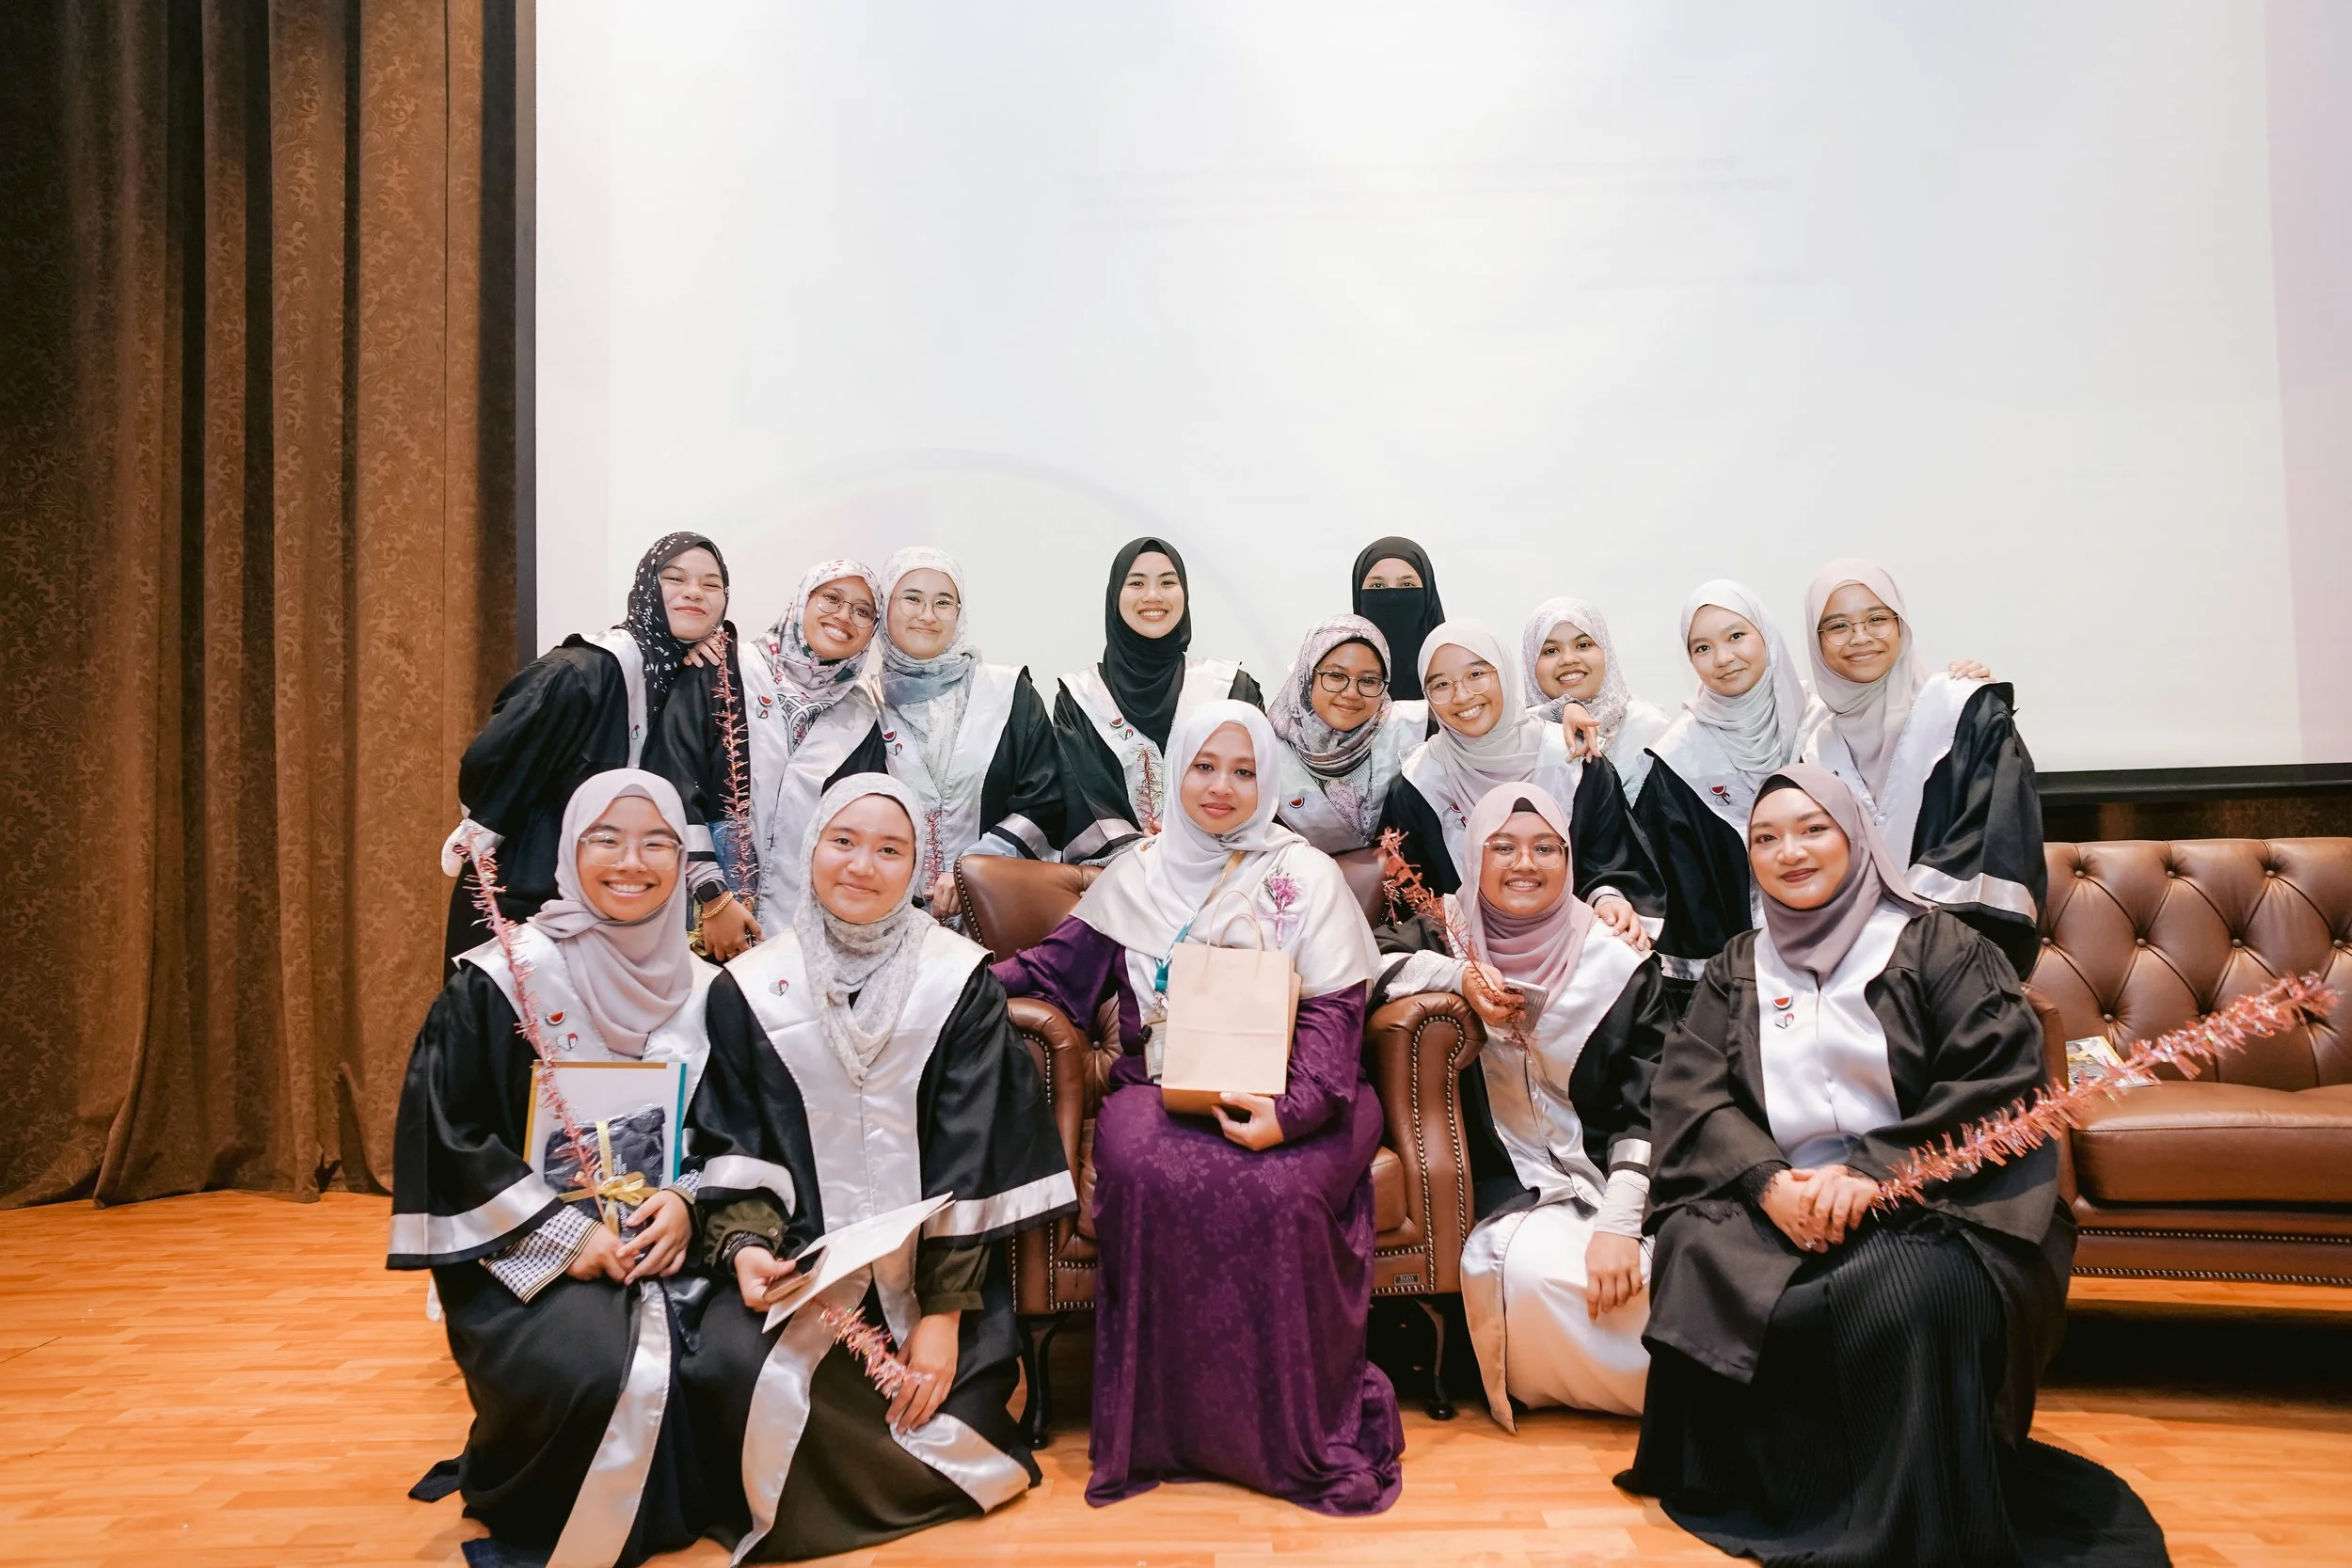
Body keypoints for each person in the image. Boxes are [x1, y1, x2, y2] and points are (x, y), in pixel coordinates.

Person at [1619, 765, 2169, 1568]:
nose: (1789, 851)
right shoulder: (1740, 964)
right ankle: (1778, 1486)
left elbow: (1996, 1082)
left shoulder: (1942, 947)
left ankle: (1909, 1504)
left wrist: (1871, 1173)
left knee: (1913, 1287)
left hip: (1935, 1191)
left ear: (1857, 838)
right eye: (1766, 837)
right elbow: (1692, 1092)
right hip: (1782, 1191)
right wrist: (1768, 1181)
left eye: (1812, 829)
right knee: (1695, 1247)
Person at [993, 701, 1404, 1514]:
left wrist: (1289, 1113)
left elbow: (1337, 1014)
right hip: (1161, 1088)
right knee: (1145, 1174)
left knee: (1282, 1193)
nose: (1222, 786)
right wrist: (942, 976)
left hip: (1302, 1089)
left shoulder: (1304, 877)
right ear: (1176, 770)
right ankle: (1162, 1433)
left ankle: (1290, 1436)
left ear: (1267, 779)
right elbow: (1048, 973)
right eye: (1204, 766)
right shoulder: (1137, 876)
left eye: (1244, 770)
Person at [683, 774, 1076, 1560]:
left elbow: (973, 1152)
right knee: (730, 1369)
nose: (863, 865)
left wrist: (942, 1317)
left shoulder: (957, 983)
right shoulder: (752, 988)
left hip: (938, 1274)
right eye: (844, 841)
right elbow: (733, 1136)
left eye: (890, 850)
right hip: (803, 1265)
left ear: (916, 866)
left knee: (952, 1422)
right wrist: (748, 1246)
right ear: (812, 848)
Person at [390, 769, 733, 1566]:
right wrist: (564, 1236)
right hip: (527, 1250)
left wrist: (688, 1203)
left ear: (682, 859)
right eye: (605, 838)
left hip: (674, 1242)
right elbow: (449, 1133)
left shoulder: (714, 992)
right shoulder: (504, 979)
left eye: (657, 842)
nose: (631, 861)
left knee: (736, 1358)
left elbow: (738, 1128)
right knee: (590, 1369)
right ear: (569, 849)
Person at [1375, 782, 1669, 1422]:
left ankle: (1685, 1405)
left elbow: (1650, 1099)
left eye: (1545, 847)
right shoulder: (1446, 932)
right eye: (1502, 846)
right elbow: (1360, 964)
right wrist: (1458, 977)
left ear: (1569, 859)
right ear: (1474, 855)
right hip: (1505, 1179)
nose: (1524, 864)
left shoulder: (1616, 960)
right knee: (1532, 1272)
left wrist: (1619, 1222)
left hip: (1617, 1174)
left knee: (1660, 1274)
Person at [442, 532, 728, 962]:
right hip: (525, 905)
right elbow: (489, 760)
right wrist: (490, 823)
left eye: (711, 584)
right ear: (647, 587)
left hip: (618, 907)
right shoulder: (582, 671)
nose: (694, 592)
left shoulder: (693, 678)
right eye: (675, 578)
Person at [1798, 559, 2046, 975]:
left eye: (1877, 619)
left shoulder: (1965, 709)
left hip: (1956, 958)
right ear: (1816, 641)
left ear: (1901, 625)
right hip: (1848, 963)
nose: (1860, 637)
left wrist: (1896, 929)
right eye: (1837, 626)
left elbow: (1993, 835)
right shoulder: (1815, 743)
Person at [646, 559, 887, 958]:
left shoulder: (862, 716)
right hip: (698, 910)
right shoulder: (724, 668)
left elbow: (857, 828)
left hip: (801, 933)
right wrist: (712, 896)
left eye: (863, 611)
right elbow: (671, 777)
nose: (844, 616)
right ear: (803, 600)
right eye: (831, 598)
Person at [1379, 620, 1661, 949]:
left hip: (1575, 946)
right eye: (1440, 684)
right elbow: (1410, 900)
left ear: (1505, 673)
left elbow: (1613, 858)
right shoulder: (1418, 783)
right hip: (1468, 958)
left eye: (1476, 674)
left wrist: (1608, 898)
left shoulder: (1572, 760)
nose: (1462, 695)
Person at [1632, 580, 1814, 1007]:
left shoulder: (1823, 723)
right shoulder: (1679, 756)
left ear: (1765, 634)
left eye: (1736, 636)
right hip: (1739, 985)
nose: (1723, 658)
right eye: (1702, 648)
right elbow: (1683, 894)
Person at [871, 547, 1071, 918]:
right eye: (912, 599)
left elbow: (1046, 800)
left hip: (996, 912)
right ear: (884, 608)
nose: (927, 615)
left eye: (943, 602)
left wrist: (974, 868)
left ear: (959, 613)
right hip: (885, 917)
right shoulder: (863, 705)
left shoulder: (1006, 693)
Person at [1052, 536, 1263, 863]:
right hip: (1116, 873)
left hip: (1219, 866)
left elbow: (1257, 781)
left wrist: (1196, 840)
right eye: (1136, 583)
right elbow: (1080, 797)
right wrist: (1142, 850)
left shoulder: (1232, 688)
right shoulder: (1079, 698)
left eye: (1167, 582)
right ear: (1115, 596)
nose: (1153, 596)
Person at [1265, 614, 1427, 854]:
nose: (1352, 693)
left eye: (1368, 680)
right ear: (1307, 676)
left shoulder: (1417, 730)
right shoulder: (1263, 751)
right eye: (1336, 676)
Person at [1520, 596, 1673, 804]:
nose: (1569, 659)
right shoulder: (1518, 739)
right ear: (1530, 664)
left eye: (1583, 645)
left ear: (1606, 650)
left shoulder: (1650, 729)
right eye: (1551, 651)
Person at [1350, 536, 1445, 702]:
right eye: (1377, 586)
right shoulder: (1339, 675)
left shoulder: (1455, 669)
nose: (1393, 597)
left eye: (1407, 585)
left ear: (1428, 594)